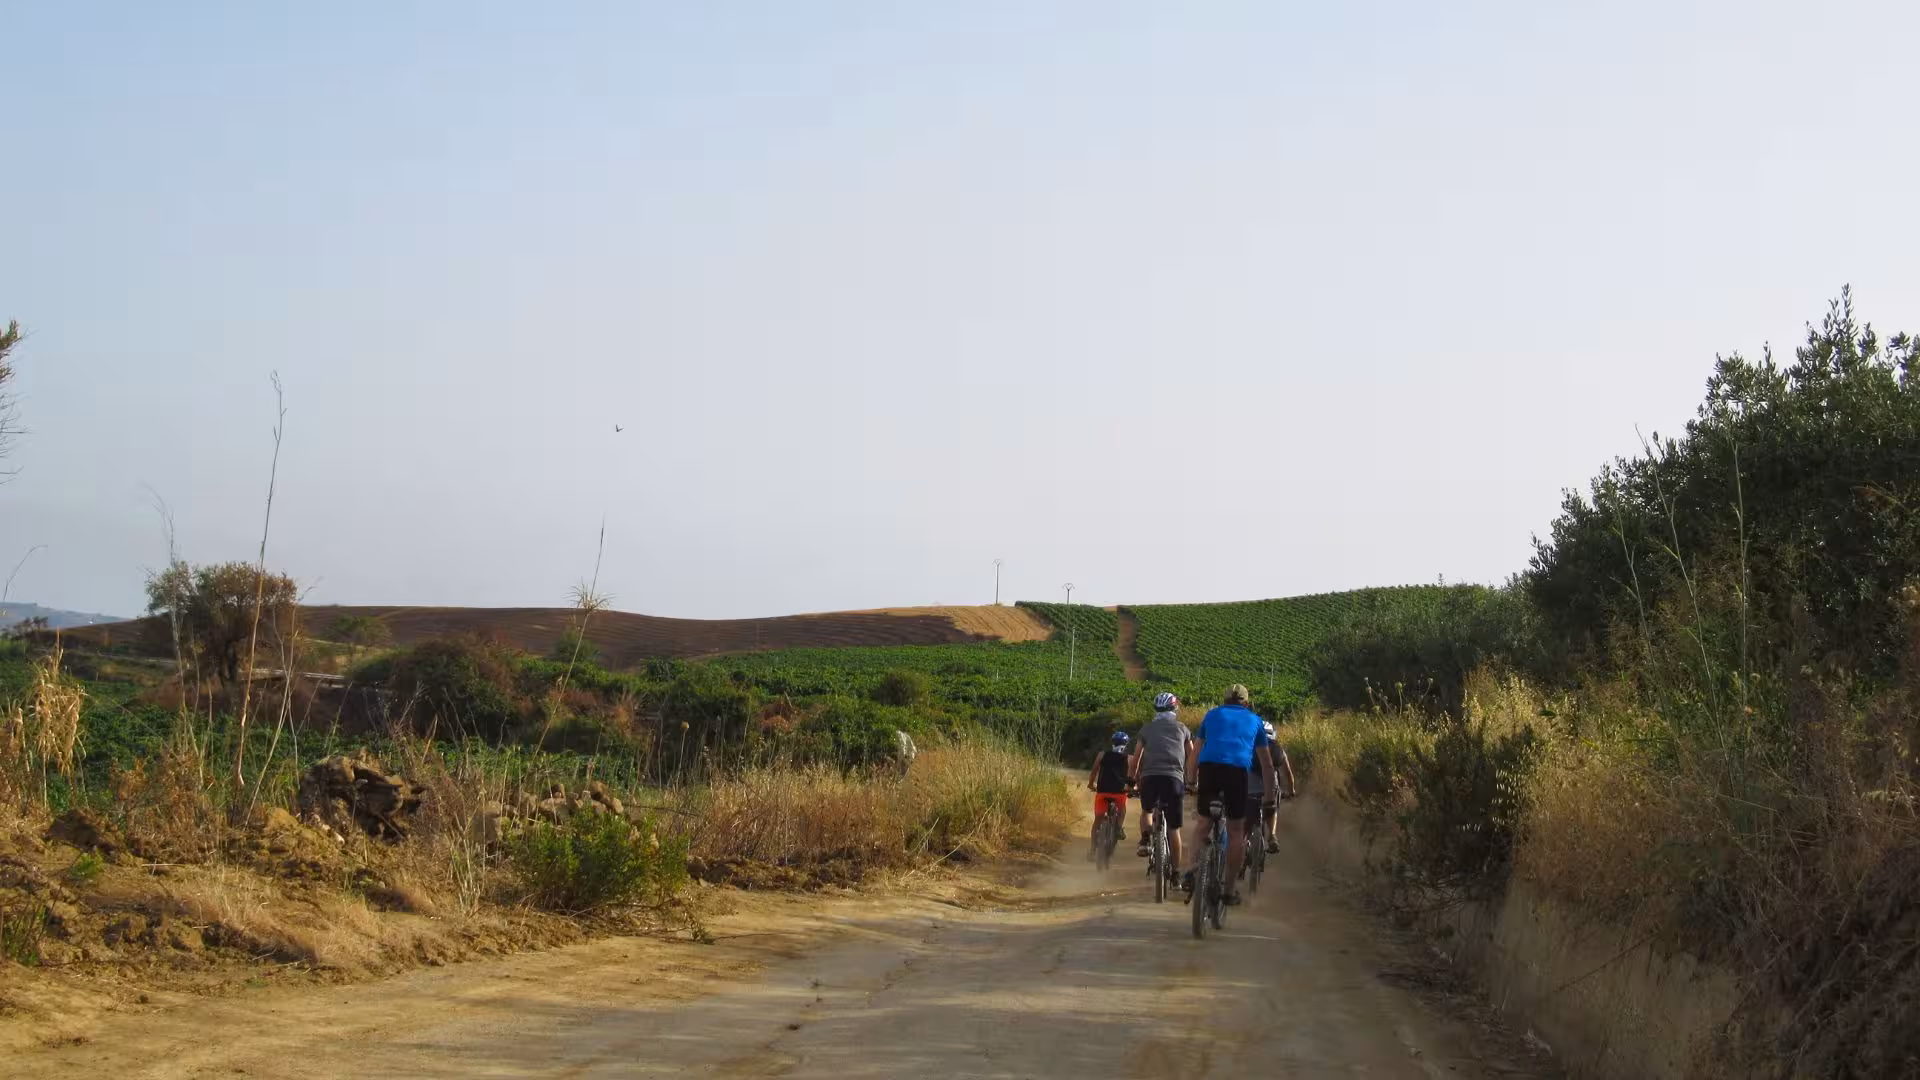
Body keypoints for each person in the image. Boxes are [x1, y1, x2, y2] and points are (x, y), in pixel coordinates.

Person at [1183, 684, 1279, 906]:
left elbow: (1195, 752)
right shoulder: (1255, 721)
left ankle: (1191, 871)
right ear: (1246, 702)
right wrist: (1268, 797)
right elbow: (1266, 764)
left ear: (1225, 700)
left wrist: (1190, 780)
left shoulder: (1211, 715)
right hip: (1237, 772)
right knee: (1236, 830)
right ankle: (1228, 889)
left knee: (1203, 823)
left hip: (1209, 769)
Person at [1129, 692, 1190, 868]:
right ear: (1175, 708)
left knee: (1147, 811)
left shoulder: (1146, 729)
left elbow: (1136, 758)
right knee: (1173, 829)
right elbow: (1192, 756)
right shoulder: (1183, 728)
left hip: (1150, 778)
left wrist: (1131, 780)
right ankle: (1177, 874)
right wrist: (1193, 781)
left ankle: (1145, 839)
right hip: (1174, 780)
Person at [1245, 720, 1298, 855]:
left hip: (1250, 786)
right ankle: (1272, 835)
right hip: (1271, 786)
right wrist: (1291, 791)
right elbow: (1289, 775)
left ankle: (1244, 842)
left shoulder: (1247, 746)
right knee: (1272, 806)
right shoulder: (1279, 749)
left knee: (1245, 819)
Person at [1086, 731, 1131, 859]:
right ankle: (1119, 828)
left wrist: (1091, 784)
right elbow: (1133, 776)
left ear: (1112, 743)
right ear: (1126, 744)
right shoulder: (1129, 757)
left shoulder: (1102, 755)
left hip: (1102, 792)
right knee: (1121, 811)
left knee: (1097, 821)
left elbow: (1094, 770)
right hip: (1120, 794)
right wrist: (1132, 788)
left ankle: (1092, 850)